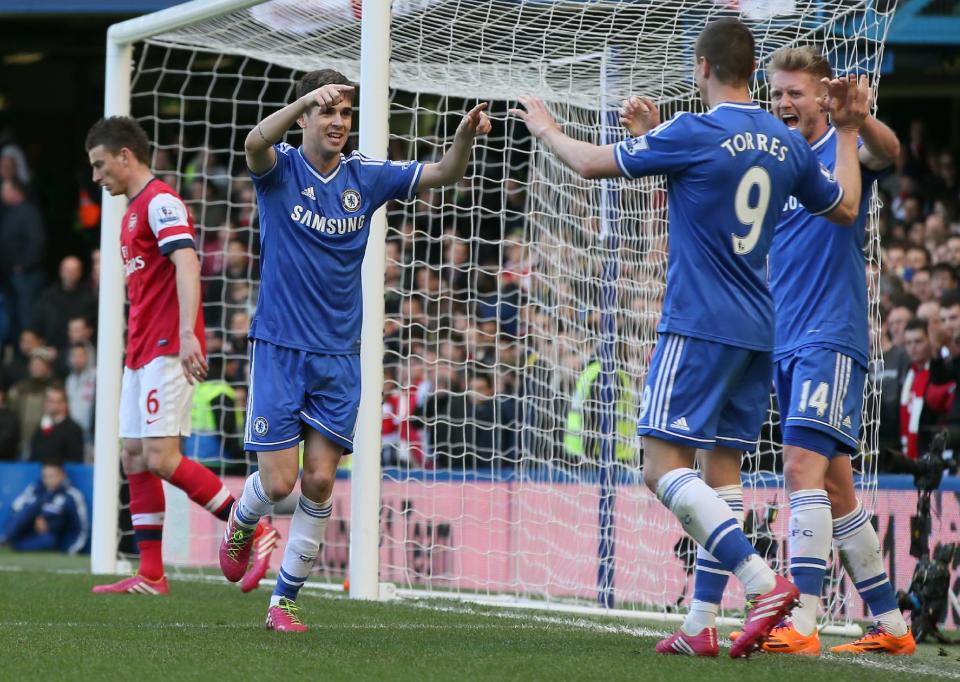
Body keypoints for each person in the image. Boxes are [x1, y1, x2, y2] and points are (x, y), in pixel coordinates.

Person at [513, 17, 866, 658]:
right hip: (762, 330)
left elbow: (592, 164)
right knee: (721, 473)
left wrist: (545, 129)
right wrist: (845, 133)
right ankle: (701, 623)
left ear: (700, 67)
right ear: (753, 72)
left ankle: (761, 581)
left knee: (659, 466)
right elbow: (842, 206)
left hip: (699, 324)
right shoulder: (781, 141)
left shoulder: (695, 130)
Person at [218, 68, 490, 632]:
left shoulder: (365, 177)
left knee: (319, 481)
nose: (339, 122)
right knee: (277, 484)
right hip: (279, 347)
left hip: (339, 356)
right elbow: (253, 143)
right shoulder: (281, 169)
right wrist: (299, 104)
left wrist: (463, 137)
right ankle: (243, 520)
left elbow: (445, 171)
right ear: (309, 116)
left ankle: (284, 602)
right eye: (329, 112)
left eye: (346, 113)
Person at [680, 46, 913, 656]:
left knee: (799, 471)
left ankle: (802, 620)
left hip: (828, 334)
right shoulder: (778, 161)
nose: (785, 102)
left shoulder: (838, 150)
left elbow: (887, 154)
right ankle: (892, 626)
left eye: (797, 93)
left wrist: (855, 120)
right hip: (779, 339)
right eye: (777, 92)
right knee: (836, 490)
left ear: (822, 97)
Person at [84, 116, 278, 595]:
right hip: (140, 350)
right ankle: (151, 572)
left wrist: (191, 334)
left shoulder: (161, 201)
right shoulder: (131, 211)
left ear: (125, 156)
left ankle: (254, 528)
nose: (96, 176)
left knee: (162, 457)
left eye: (100, 164)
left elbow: (187, 263)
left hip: (168, 346)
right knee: (133, 456)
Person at [2, 459, 88, 554]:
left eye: (52, 476)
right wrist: (36, 517)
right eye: (45, 476)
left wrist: (70, 550)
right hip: (27, 530)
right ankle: (8, 539)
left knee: (48, 539)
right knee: (26, 511)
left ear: (63, 475)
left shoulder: (72, 495)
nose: (49, 480)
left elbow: (80, 527)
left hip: (51, 537)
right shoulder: (35, 489)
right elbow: (15, 509)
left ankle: (13, 544)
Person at [29, 385, 84, 463]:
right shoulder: (41, 426)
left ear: (64, 404)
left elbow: (75, 460)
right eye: (48, 401)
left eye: (54, 401)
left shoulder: (73, 429)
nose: (49, 405)